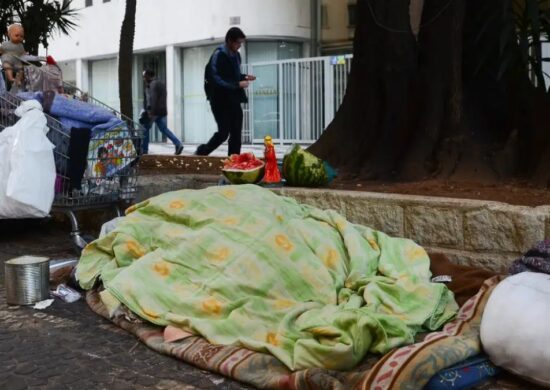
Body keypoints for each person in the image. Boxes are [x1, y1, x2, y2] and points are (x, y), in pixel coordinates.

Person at [196, 27, 256, 156]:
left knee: (236, 133)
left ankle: (234, 161)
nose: (239, 46)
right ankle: (201, 152)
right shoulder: (218, 55)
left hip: (233, 99)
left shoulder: (236, 56)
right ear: (229, 40)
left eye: (241, 43)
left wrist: (244, 77)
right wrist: (237, 84)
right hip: (219, 101)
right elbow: (216, 79)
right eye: (237, 43)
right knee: (223, 133)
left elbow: (232, 75)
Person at [141, 69, 183, 155]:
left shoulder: (152, 84)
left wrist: (150, 112)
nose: (144, 78)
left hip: (154, 112)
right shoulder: (161, 83)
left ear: (149, 76)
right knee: (164, 129)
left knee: (145, 129)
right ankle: (178, 144)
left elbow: (152, 99)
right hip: (162, 111)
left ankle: (144, 150)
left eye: (144, 76)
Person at [0, 24, 26, 89]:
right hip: (8, 60)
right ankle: (11, 78)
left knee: (21, 70)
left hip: (16, 62)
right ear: (9, 34)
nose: (19, 37)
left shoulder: (20, 45)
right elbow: (1, 50)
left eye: (21, 36)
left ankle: (18, 80)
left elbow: (22, 53)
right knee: (7, 67)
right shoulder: (5, 44)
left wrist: (25, 55)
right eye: (16, 35)